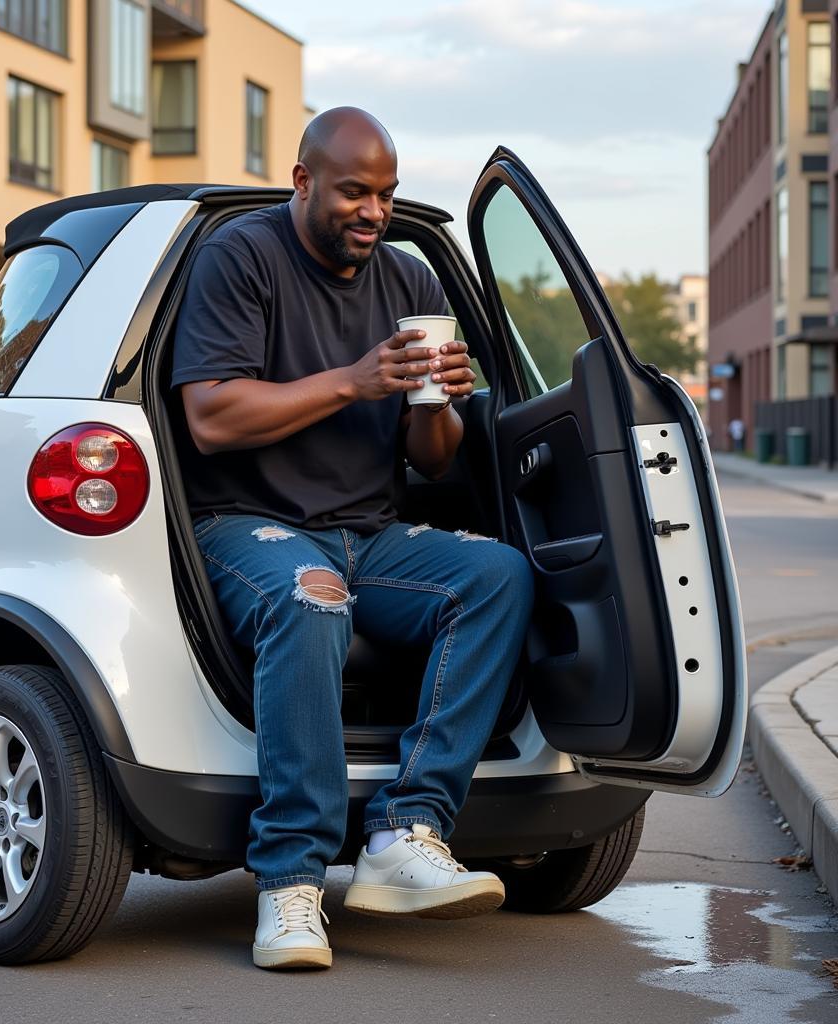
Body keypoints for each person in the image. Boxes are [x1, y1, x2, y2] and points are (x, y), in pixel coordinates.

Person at [171, 107, 533, 970]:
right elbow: (211, 415)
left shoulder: (411, 282)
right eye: (354, 192)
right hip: (243, 526)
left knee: (499, 577)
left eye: (387, 194)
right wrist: (353, 379)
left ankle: (405, 830)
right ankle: (289, 884)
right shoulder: (242, 257)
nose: (374, 211)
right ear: (303, 182)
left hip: (367, 534)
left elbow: (433, 458)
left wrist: (438, 398)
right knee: (312, 599)